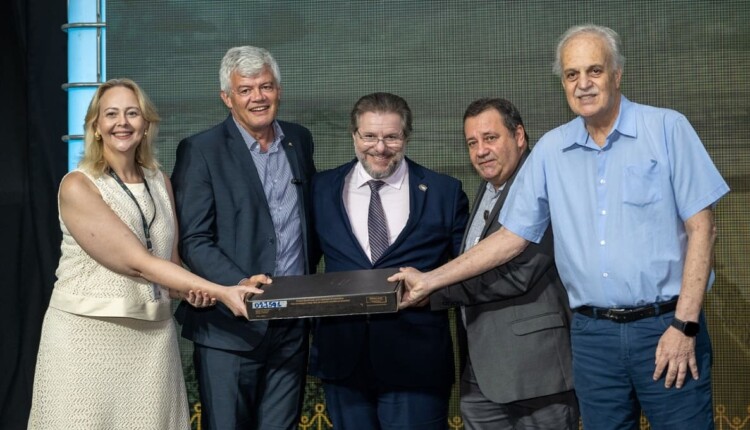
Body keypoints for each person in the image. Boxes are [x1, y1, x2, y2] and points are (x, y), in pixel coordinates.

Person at [391, 24, 729, 430]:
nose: (583, 84)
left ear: (617, 74)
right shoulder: (552, 149)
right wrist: (429, 280)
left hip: (665, 326)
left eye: (594, 71)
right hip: (590, 336)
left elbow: (703, 230)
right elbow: (511, 238)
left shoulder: (667, 129)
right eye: (572, 75)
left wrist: (684, 324)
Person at [27, 78, 269, 429]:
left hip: (154, 341)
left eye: (132, 113)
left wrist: (199, 291)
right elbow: (139, 263)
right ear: (96, 127)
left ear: (145, 125)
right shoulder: (78, 185)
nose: (122, 122)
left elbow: (168, 268)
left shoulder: (159, 180)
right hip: (87, 340)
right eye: (111, 114)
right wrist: (224, 292)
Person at [171, 46, 318, 430]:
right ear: (227, 97)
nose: (258, 97)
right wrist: (237, 285)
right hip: (230, 329)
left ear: (279, 90)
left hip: (292, 325)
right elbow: (195, 239)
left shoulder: (299, 141)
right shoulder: (199, 151)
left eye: (266, 86)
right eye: (246, 89)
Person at [309, 92, 468, 429]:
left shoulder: (444, 192)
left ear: (406, 137)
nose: (379, 148)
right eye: (369, 136)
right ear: (354, 136)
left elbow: (466, 274)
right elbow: (302, 263)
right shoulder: (320, 189)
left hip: (417, 365)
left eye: (391, 137)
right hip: (343, 363)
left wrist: (431, 293)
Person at [428, 98, 578, 429]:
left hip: (534, 374)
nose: (481, 150)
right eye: (472, 142)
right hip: (481, 372)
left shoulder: (541, 185)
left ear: (519, 136)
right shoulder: (487, 189)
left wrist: (431, 290)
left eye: (490, 138)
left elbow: (518, 273)